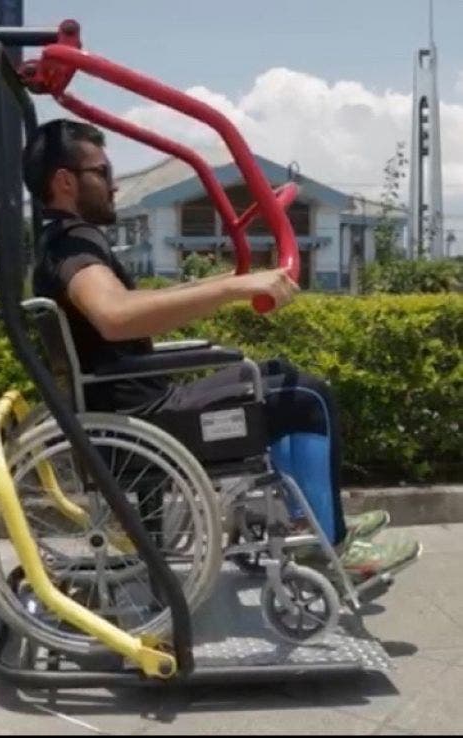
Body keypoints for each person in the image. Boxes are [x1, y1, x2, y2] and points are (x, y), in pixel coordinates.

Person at [21, 118, 421, 583]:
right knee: (306, 398)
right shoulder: (73, 243)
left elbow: (122, 312)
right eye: (103, 173)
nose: (113, 186)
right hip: (146, 421)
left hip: (134, 409)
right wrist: (234, 290)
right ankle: (331, 550)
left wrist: (236, 281)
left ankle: (310, 520)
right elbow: (116, 315)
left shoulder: (62, 241)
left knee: (281, 374)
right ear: (65, 182)